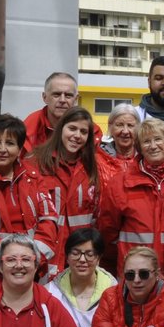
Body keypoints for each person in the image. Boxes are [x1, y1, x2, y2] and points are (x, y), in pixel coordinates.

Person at [0, 114, 63, 304]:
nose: (3, 149)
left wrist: (29, 262)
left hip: (32, 275)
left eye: (11, 143)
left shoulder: (34, 178)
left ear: (20, 148)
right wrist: (14, 263)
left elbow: (49, 221)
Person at [98, 118, 164, 276]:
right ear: (139, 148)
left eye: (158, 139)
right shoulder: (120, 183)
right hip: (134, 277)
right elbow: (107, 232)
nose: (153, 146)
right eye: (146, 142)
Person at [29, 106, 108, 238]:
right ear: (60, 129)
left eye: (83, 132)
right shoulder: (36, 163)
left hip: (78, 252)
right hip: (45, 248)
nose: (77, 136)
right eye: (72, 129)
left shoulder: (93, 167)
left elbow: (96, 216)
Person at [26, 71, 100, 151]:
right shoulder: (30, 128)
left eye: (68, 95)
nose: (62, 100)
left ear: (75, 99)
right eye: (56, 95)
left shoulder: (91, 130)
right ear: (45, 97)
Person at [103, 103, 140, 169]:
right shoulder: (100, 156)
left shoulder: (145, 156)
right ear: (110, 127)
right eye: (120, 125)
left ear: (138, 128)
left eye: (130, 125)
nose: (125, 131)